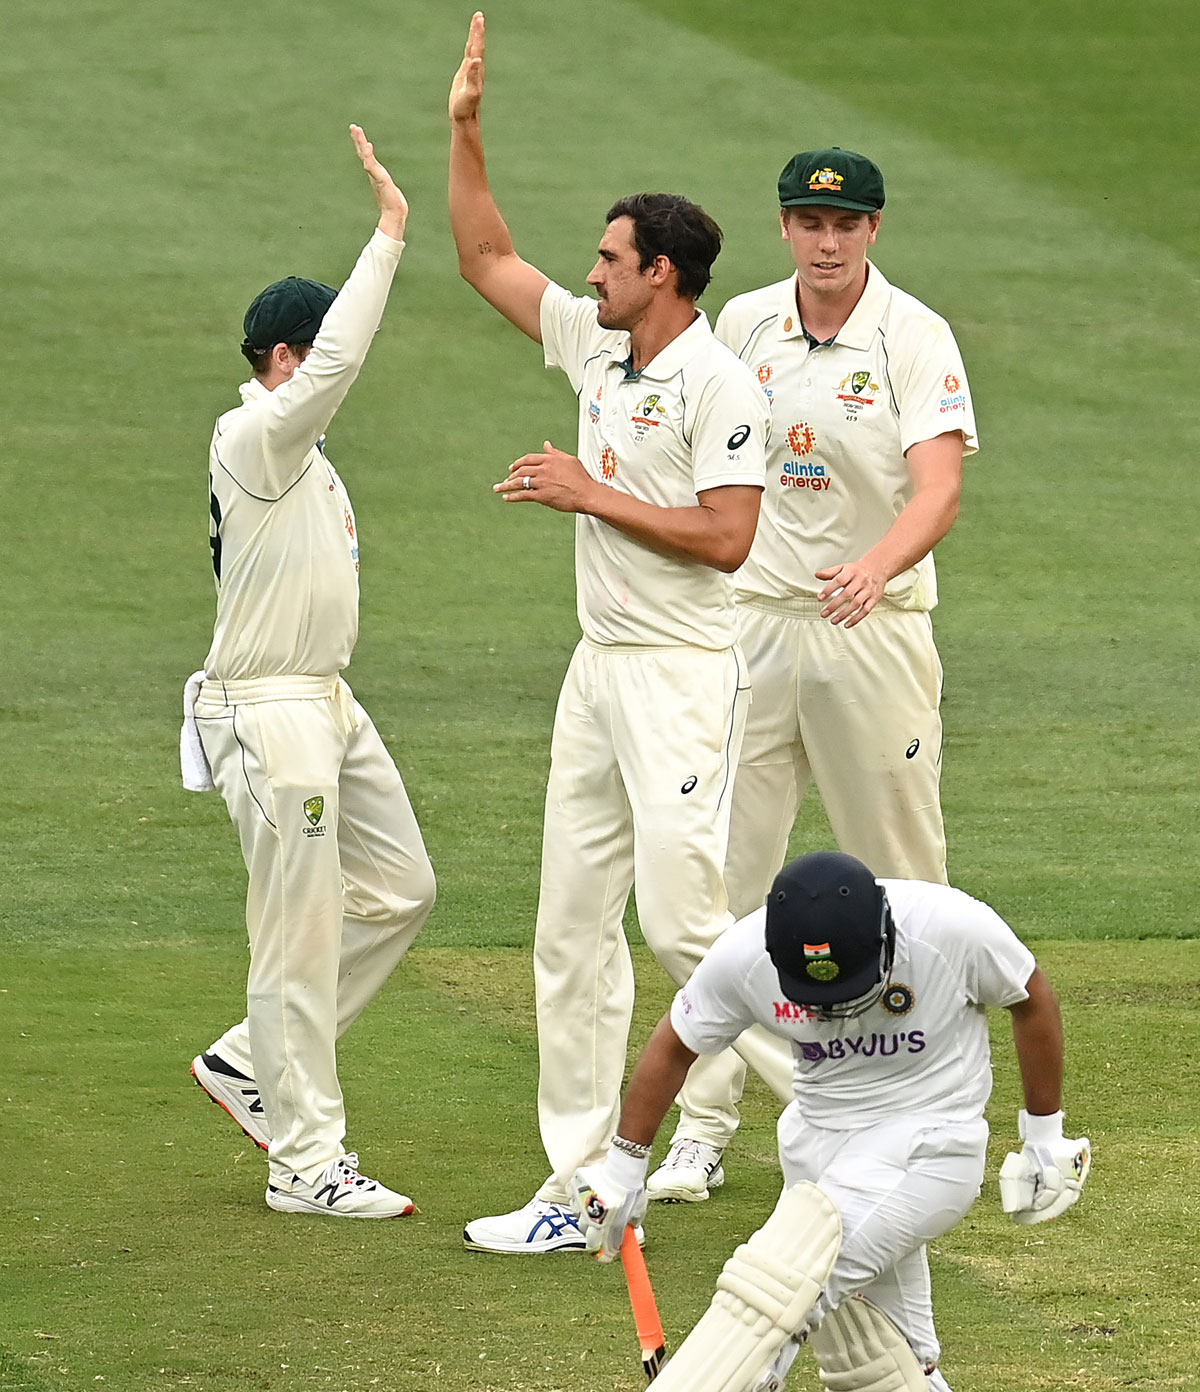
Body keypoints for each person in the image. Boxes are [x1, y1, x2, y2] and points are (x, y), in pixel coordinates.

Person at [544, 851, 1091, 1392]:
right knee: (886, 1369)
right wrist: (624, 1168)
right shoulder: (747, 952)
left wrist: (1043, 1137)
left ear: (882, 934)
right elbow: (676, 1042)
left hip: (931, 1148)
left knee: (786, 1278)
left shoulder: (951, 927)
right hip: (825, 1154)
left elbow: (1030, 996)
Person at [446, 12, 795, 1254]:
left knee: (687, 929)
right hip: (597, 672)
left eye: (609, 260)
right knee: (569, 926)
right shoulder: (598, 349)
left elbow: (729, 538)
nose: (590, 274)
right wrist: (467, 129)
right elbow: (487, 256)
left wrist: (591, 493)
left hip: (685, 677)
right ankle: (585, 1181)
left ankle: (851, 1112)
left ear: (666, 276)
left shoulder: (719, 385)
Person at [649, 147, 978, 1205]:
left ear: (873, 231)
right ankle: (704, 1124)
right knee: (722, 883)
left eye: (845, 226)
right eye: (807, 223)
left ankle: (930, 1099)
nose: (826, 242)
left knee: (903, 877)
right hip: (752, 630)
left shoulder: (914, 336)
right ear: (785, 228)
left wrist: (875, 569)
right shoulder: (741, 324)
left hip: (871, 634)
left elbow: (937, 490)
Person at [187, 127, 436, 1218]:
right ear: (286, 359)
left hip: (328, 701)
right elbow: (339, 362)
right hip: (270, 709)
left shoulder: (303, 458)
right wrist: (388, 238)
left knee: (402, 889)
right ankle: (305, 1162)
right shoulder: (256, 438)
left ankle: (253, 1059)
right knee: (300, 932)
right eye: (319, 343)